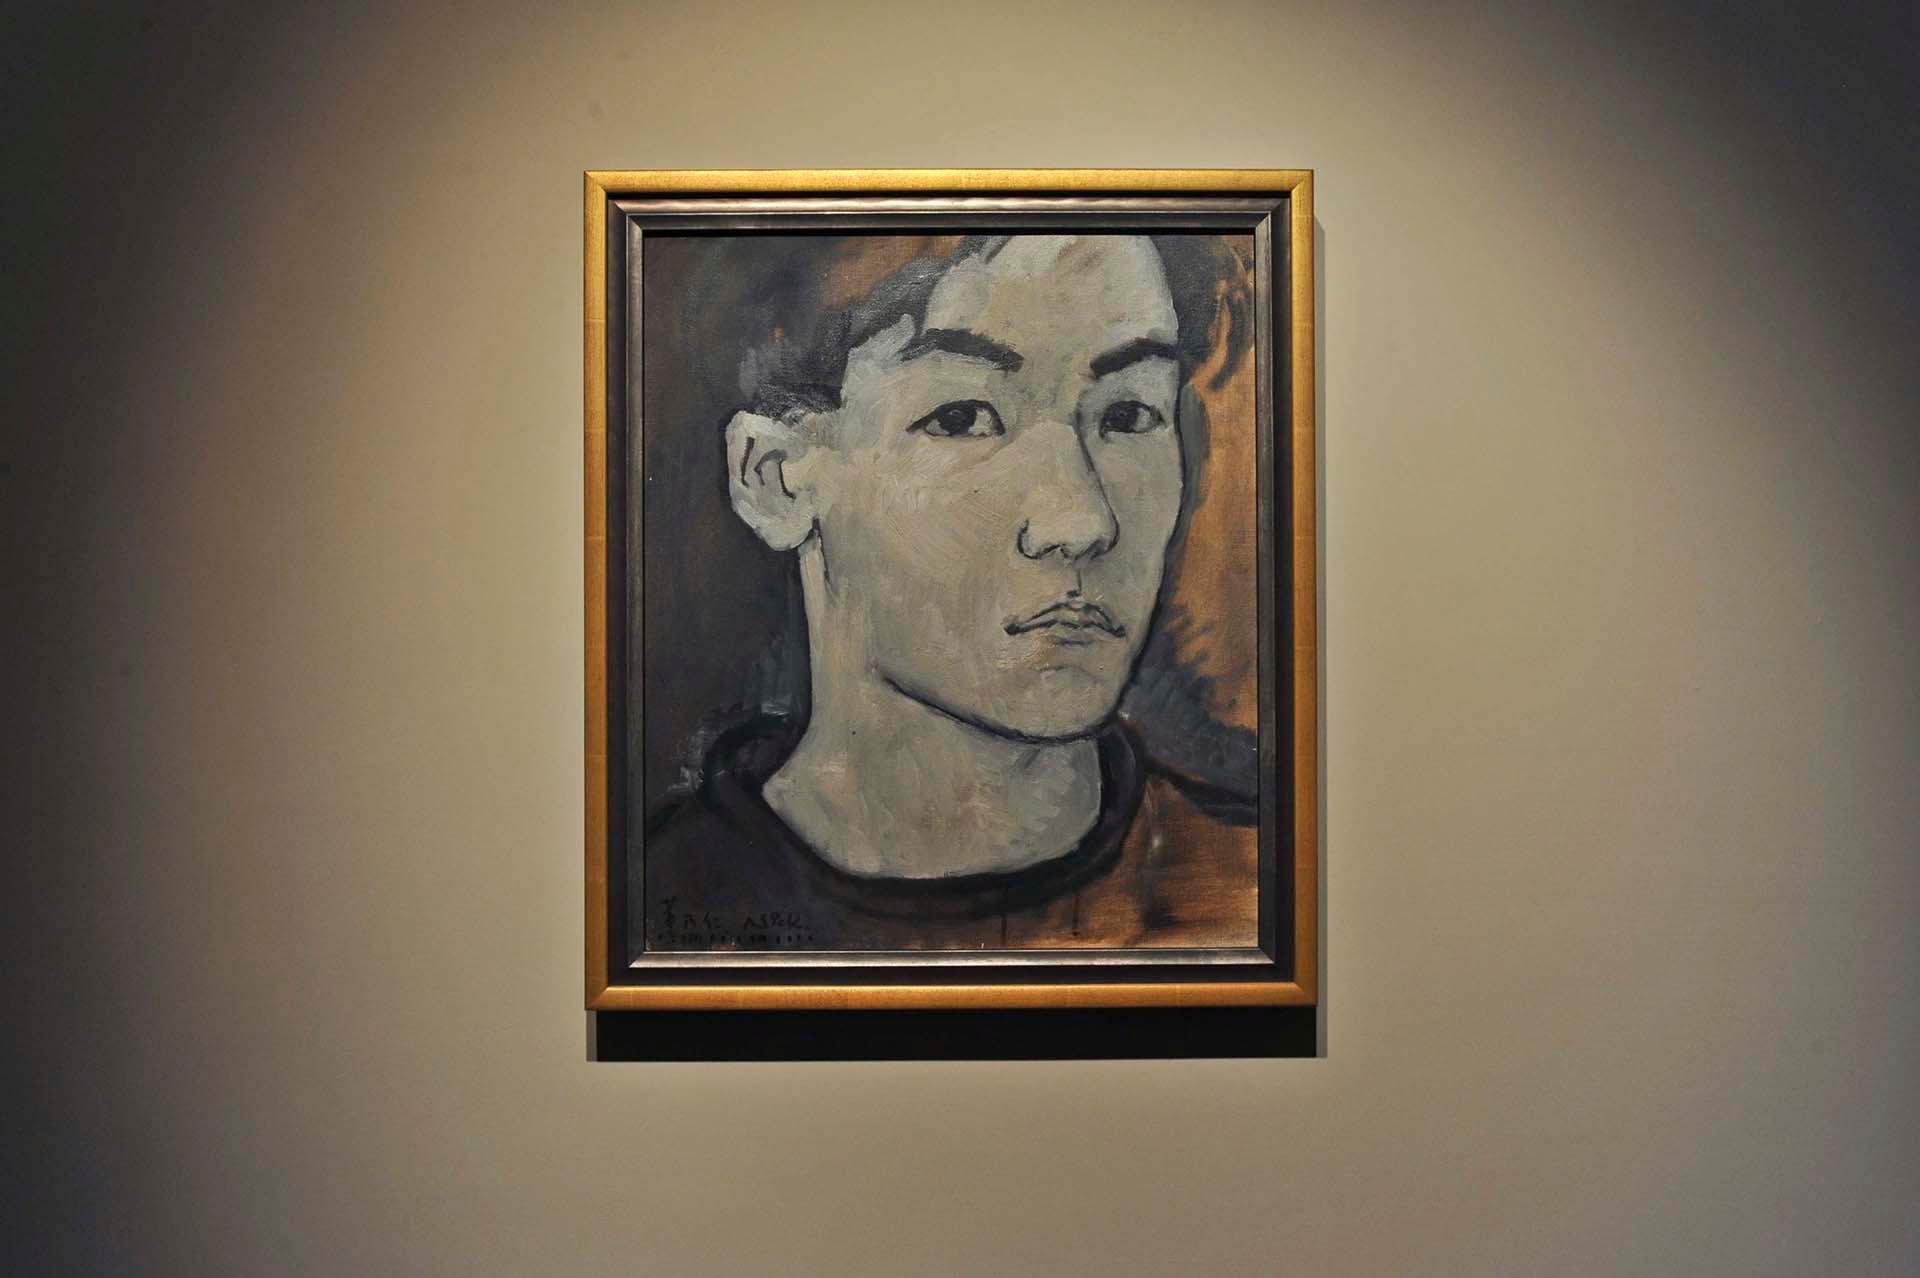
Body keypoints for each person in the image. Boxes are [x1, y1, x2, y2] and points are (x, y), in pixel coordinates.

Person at [641, 233, 1259, 951]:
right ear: (775, 479)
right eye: (963, 418)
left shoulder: (1254, 887)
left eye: (1127, 416)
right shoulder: (657, 910)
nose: (1083, 521)